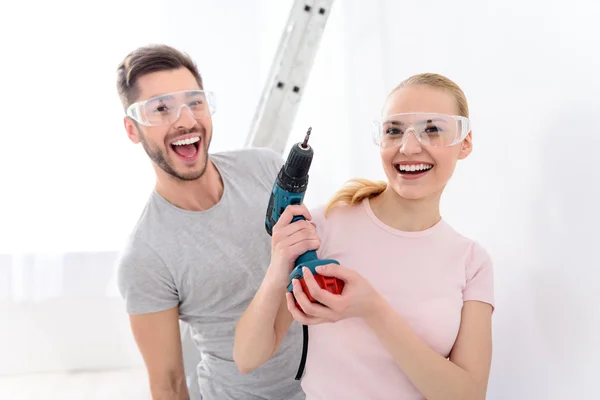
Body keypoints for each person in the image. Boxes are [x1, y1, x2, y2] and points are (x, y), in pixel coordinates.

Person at [234, 72, 495, 399]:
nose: (409, 147)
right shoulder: (322, 227)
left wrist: (373, 309)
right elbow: (247, 357)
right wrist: (277, 268)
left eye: (432, 130)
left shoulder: (471, 262)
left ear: (464, 143)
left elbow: (468, 395)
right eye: (394, 131)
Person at [114, 44, 306, 400]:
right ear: (132, 129)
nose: (185, 120)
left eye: (195, 102)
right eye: (160, 109)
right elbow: (168, 384)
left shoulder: (265, 168)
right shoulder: (145, 256)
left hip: (330, 385)